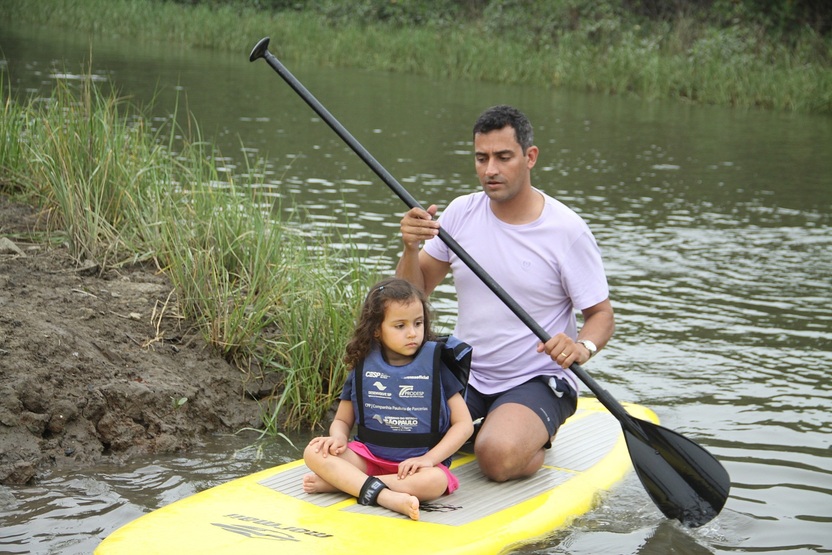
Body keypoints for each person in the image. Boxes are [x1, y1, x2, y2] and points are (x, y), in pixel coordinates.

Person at [396, 105, 614, 483]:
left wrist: (582, 348)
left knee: (495, 457)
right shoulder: (460, 213)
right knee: (395, 431)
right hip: (467, 373)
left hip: (537, 378)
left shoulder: (567, 230)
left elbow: (601, 315)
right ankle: (484, 426)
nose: (490, 170)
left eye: (503, 157)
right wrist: (410, 249)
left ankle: (523, 435)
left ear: (530, 157)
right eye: (481, 158)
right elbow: (411, 297)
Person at [302, 277, 474, 521]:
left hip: (416, 467)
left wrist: (429, 459)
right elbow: (342, 420)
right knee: (313, 452)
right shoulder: (362, 365)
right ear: (376, 330)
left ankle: (346, 484)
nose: (412, 333)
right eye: (400, 326)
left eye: (418, 323)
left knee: (435, 481)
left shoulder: (437, 367)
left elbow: (464, 425)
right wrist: (338, 438)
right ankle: (387, 497)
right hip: (367, 458)